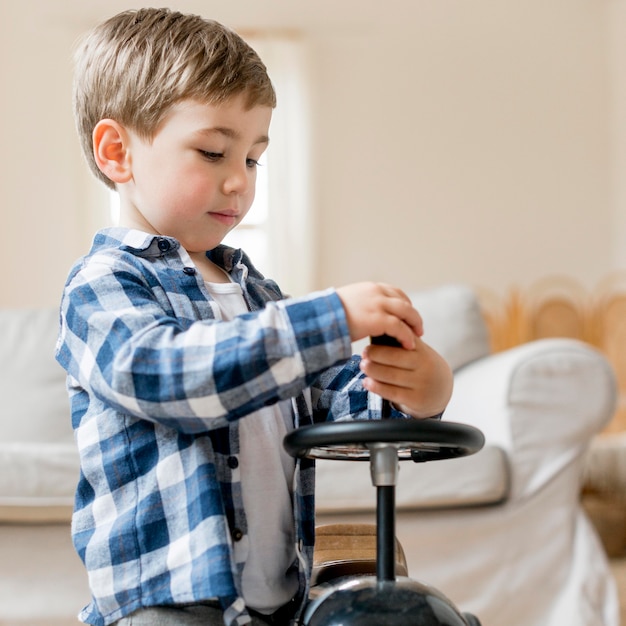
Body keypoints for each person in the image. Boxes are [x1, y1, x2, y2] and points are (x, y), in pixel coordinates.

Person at [55, 8, 453, 626]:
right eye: (213, 151)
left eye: (254, 159)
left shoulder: (255, 293)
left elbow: (329, 401)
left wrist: (413, 391)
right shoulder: (102, 286)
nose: (239, 181)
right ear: (117, 152)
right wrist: (328, 316)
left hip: (273, 602)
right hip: (168, 604)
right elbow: (170, 378)